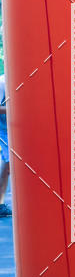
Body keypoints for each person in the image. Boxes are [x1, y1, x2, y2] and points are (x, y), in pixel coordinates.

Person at [0, 73, 11, 217]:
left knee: (7, 165)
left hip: (18, 127)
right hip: (5, 129)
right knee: (9, 164)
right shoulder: (2, 82)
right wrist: (17, 110)